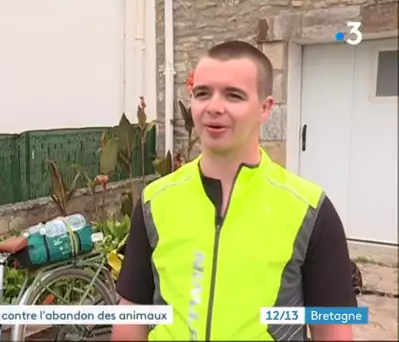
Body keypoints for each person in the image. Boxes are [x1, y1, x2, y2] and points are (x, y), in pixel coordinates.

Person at [111, 40, 357, 341]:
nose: (214, 107)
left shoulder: (310, 210)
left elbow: (332, 331)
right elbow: (131, 314)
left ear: (265, 108)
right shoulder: (155, 201)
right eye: (202, 93)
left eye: (234, 95)